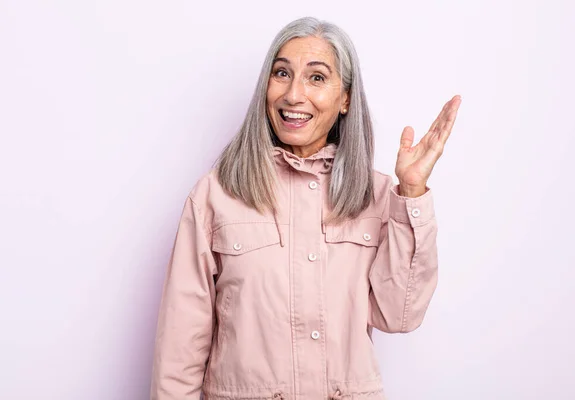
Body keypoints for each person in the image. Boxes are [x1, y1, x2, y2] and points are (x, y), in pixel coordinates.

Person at [151, 16, 461, 400]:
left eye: (316, 77)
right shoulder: (217, 194)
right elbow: (180, 349)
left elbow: (399, 315)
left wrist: (412, 193)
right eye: (282, 73)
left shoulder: (378, 195)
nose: (293, 95)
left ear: (345, 97)